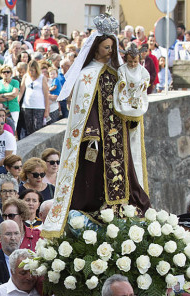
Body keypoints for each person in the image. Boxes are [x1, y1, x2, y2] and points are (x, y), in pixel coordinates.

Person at [44, 19, 151, 238]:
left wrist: (132, 116)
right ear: (96, 48)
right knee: (95, 175)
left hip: (118, 136)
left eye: (112, 47)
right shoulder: (87, 75)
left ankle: (124, 208)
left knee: (123, 172)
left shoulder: (116, 74)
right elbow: (86, 107)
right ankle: (97, 209)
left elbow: (125, 99)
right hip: (98, 138)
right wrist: (92, 132)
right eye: (106, 47)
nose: (111, 51)